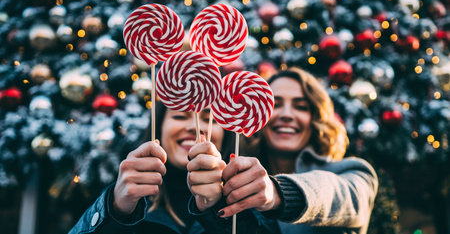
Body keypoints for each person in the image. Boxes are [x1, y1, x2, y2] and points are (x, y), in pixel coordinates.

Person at [188, 67, 379, 234]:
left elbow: (342, 196)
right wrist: (212, 205)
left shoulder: (354, 172)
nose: (287, 115)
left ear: (317, 118)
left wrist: (277, 192)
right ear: (254, 111)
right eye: (276, 104)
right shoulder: (233, 181)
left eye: (301, 106)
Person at [69, 100, 234, 234]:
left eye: (209, 119)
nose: (193, 126)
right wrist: (115, 212)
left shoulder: (245, 201)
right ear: (159, 125)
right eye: (179, 116)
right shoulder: (126, 199)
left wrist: (226, 217)